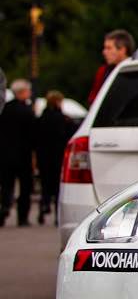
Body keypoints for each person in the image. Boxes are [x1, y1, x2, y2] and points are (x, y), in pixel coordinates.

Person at [35, 90, 77, 225]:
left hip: (44, 156)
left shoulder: (41, 118)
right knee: (58, 187)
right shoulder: (64, 119)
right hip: (59, 156)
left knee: (45, 184)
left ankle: (44, 205)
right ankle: (57, 216)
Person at [0, 78, 36, 227]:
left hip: (6, 154)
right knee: (25, 187)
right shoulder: (27, 111)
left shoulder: (5, 109)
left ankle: (4, 209)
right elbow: (33, 134)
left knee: (6, 186)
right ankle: (22, 217)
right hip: (24, 154)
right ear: (22, 92)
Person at [88, 29, 134, 105]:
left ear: (122, 50)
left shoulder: (136, 70)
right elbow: (93, 101)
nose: (104, 52)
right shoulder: (103, 72)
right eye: (104, 48)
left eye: (109, 48)